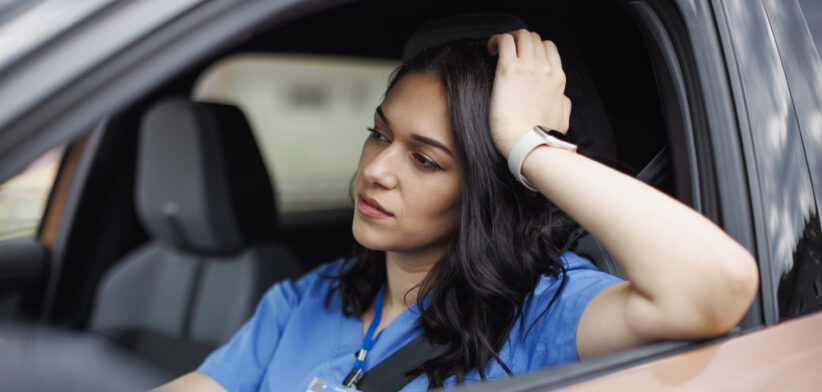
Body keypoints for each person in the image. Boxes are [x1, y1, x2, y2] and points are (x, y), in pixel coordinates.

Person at [155, 26, 759, 392]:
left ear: (483, 190)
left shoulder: (541, 313)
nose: (376, 169)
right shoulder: (309, 297)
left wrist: (526, 143)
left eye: (425, 160)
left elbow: (716, 285)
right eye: (379, 133)